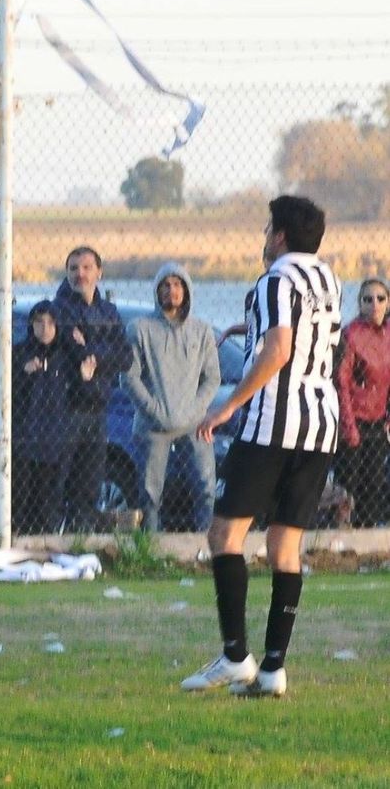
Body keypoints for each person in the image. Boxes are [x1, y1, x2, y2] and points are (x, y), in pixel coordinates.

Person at [189, 195, 341, 698]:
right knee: (284, 545)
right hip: (320, 423)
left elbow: (279, 348)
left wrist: (229, 405)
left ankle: (235, 656)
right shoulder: (328, 279)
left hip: (274, 422)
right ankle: (274, 668)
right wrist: (247, 331)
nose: (263, 238)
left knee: (224, 535)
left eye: (266, 229)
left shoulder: (275, 278)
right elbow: (303, 338)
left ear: (279, 236)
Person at [120, 263, 221, 531]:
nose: (171, 290)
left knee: (206, 485)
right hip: (152, 423)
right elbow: (129, 377)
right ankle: (151, 547)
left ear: (186, 290)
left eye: (177, 284)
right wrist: (154, 409)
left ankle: (205, 545)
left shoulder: (202, 331)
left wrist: (194, 410)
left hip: (193, 421)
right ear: (157, 291)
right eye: (165, 285)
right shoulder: (139, 329)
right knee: (150, 492)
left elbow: (212, 378)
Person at [50, 246, 133, 530]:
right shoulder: (58, 310)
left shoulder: (108, 311)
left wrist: (91, 351)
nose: (79, 274)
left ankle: (81, 539)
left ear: (99, 272)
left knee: (89, 481)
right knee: (58, 480)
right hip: (65, 409)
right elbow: (71, 348)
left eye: (86, 267)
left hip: (98, 409)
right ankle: (52, 538)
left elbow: (125, 355)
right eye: (73, 268)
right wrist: (92, 351)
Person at [12, 300, 96, 533]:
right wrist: (23, 374)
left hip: (55, 441)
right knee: (22, 497)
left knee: (49, 499)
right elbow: (5, 393)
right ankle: (17, 537)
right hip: (24, 439)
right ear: (31, 325)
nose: (45, 328)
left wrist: (85, 379)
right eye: (39, 322)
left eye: (50, 322)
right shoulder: (20, 354)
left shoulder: (66, 356)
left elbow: (82, 399)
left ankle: (46, 540)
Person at [334, 277, 390, 527]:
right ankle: (340, 535)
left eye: (380, 299)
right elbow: (341, 382)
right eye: (368, 299)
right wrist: (349, 427)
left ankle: (368, 534)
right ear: (360, 304)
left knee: (375, 482)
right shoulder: (351, 334)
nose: (374, 305)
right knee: (349, 483)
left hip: (379, 420)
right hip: (354, 419)